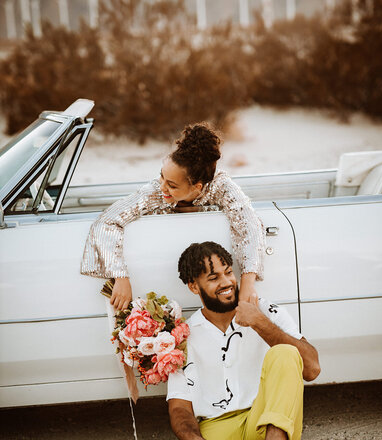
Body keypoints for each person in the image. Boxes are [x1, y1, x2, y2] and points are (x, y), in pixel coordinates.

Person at [44, 241, 320, 440]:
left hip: (271, 428)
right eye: (213, 277)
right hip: (218, 433)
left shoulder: (267, 311)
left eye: (229, 272)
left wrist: (258, 321)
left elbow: (311, 367)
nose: (227, 282)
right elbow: (179, 409)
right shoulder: (182, 336)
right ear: (193, 286)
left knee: (286, 353)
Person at [80, 123, 265, 309]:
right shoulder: (156, 191)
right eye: (161, 177)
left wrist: (248, 283)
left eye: (172, 185)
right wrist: (120, 277)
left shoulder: (223, 188)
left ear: (197, 187)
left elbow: (250, 227)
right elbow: (107, 221)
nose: (162, 187)